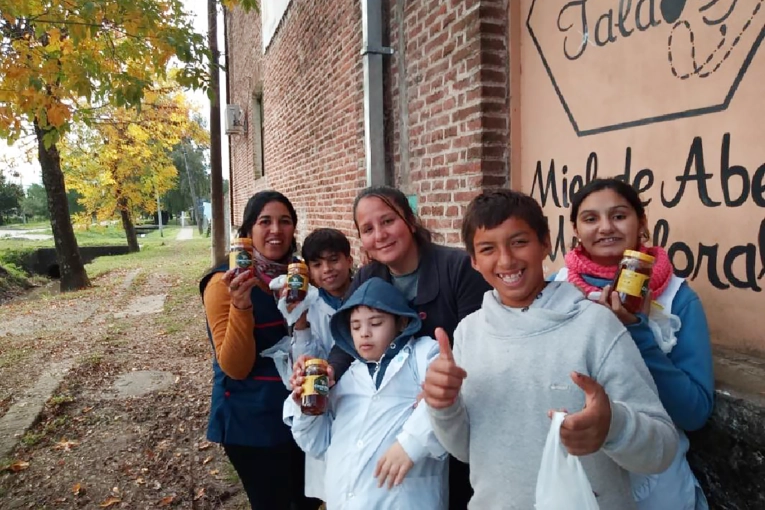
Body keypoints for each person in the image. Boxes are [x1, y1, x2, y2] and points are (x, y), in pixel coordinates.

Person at [423, 189, 679, 509]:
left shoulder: (595, 326)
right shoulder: (468, 334)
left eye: (519, 242)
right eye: (488, 248)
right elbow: (465, 449)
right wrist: (443, 406)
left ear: (545, 243)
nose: (506, 260)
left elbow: (662, 450)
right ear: (473, 261)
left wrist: (613, 425)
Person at [325, 185, 490, 509]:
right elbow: (347, 342)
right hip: (398, 426)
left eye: (388, 221)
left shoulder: (457, 269)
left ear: (410, 221)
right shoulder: (368, 278)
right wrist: (327, 372)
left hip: (460, 411)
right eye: (368, 229)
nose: (380, 235)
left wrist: (440, 388)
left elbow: (482, 345)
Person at [556, 177, 713, 509]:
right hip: (576, 475)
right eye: (590, 218)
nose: (605, 228)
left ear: (641, 223)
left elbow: (694, 412)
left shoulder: (677, 298)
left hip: (655, 481)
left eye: (618, 215)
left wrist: (638, 333)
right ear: (575, 230)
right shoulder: (556, 290)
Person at [199, 190, 318, 510]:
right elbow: (234, 367)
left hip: (303, 411)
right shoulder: (222, 283)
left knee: (307, 501)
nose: (276, 230)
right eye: (265, 221)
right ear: (248, 232)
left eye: (285, 221)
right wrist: (241, 305)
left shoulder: (300, 274)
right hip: (250, 420)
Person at [285, 278, 449, 509]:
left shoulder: (422, 355)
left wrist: (411, 443)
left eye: (375, 323)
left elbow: (448, 397)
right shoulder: (347, 378)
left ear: (401, 322)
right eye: (355, 326)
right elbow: (317, 444)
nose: (364, 333)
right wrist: (307, 409)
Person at [289, 228, 354, 502]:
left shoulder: (367, 295)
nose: (327, 269)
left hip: (359, 392)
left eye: (334, 260)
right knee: (332, 480)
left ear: (350, 260)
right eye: (317, 264)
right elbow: (305, 357)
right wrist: (300, 322)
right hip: (324, 394)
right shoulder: (312, 305)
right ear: (309, 271)